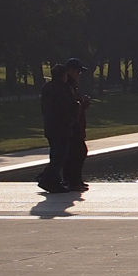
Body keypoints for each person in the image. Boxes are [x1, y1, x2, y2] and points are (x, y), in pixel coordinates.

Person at [37, 59, 88, 193]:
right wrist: (77, 107)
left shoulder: (50, 87)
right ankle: (48, 179)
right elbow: (64, 108)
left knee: (59, 155)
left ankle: (54, 180)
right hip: (61, 127)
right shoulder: (62, 89)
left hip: (54, 127)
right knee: (61, 155)